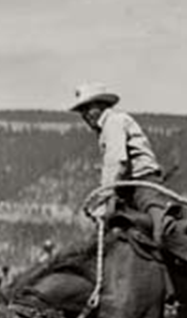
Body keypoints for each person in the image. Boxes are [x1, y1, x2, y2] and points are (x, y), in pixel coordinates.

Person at [69, 83, 172, 245]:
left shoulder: (113, 122)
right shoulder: (106, 128)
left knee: (161, 228)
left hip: (143, 184)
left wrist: (104, 198)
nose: (85, 114)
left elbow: (118, 163)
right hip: (127, 188)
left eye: (88, 108)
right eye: (82, 110)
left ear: (102, 105)